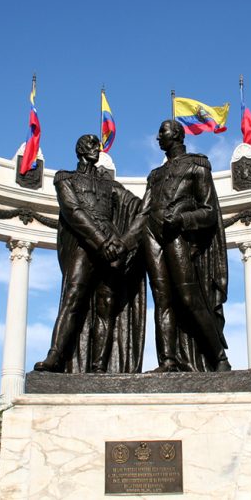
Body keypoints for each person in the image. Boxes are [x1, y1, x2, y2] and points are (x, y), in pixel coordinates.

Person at [34, 134, 146, 373]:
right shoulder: (65, 178)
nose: (97, 149)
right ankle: (55, 355)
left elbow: (137, 207)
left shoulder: (110, 185)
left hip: (111, 247)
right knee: (72, 298)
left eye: (98, 145)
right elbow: (73, 211)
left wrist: (157, 200)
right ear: (80, 149)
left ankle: (99, 366)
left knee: (107, 304)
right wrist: (101, 241)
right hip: (85, 245)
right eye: (91, 145)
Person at [134, 119, 231, 372]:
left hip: (178, 234)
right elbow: (143, 212)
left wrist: (182, 219)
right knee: (162, 300)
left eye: (162, 132)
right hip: (152, 235)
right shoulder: (155, 175)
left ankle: (219, 358)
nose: (158, 138)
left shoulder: (197, 165)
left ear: (176, 134)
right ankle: (167, 360)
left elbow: (210, 212)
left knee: (189, 298)